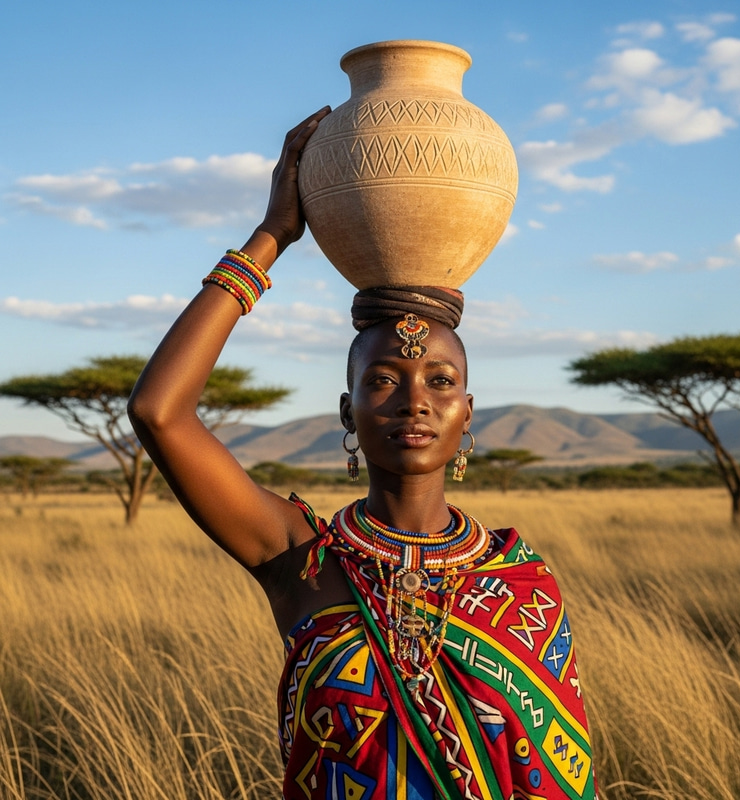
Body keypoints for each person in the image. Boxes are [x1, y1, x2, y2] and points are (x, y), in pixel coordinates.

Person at [128, 108, 597, 800]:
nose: (415, 401)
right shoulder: (301, 559)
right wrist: (272, 237)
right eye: (383, 381)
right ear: (348, 412)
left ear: (466, 413)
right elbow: (158, 412)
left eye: (441, 382)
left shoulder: (522, 586)